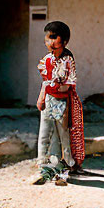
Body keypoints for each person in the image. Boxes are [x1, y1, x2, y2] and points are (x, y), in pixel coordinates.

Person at [34, 20, 84, 184]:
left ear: (64, 41)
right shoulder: (47, 60)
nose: (49, 42)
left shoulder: (67, 60)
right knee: (46, 135)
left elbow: (66, 84)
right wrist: (42, 97)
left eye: (53, 38)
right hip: (50, 100)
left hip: (62, 102)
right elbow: (46, 81)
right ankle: (46, 169)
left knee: (62, 137)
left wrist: (54, 89)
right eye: (47, 38)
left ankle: (62, 170)